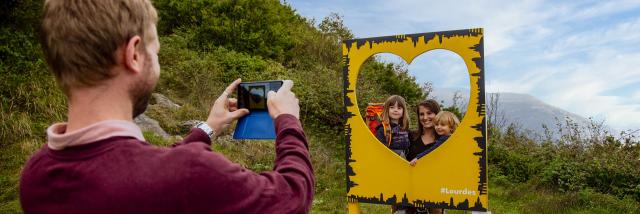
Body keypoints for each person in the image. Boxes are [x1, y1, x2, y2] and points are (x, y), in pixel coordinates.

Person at [19, 1, 314, 213]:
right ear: (134, 54)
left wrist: (208, 128)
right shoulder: (189, 173)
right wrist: (288, 120)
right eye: (155, 51)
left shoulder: (36, 174)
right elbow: (292, 195)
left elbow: (138, 171)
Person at [406, 99, 444, 214]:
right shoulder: (410, 136)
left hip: (434, 195)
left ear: (437, 114)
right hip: (409, 193)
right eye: (421, 114)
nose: (425, 117)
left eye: (429, 113)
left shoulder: (444, 142)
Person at [374, 95, 411, 159]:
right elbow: (380, 150)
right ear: (387, 110)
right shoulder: (382, 129)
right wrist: (399, 154)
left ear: (403, 111)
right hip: (389, 163)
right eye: (392, 107)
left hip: (404, 163)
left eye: (399, 108)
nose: (395, 110)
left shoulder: (404, 128)